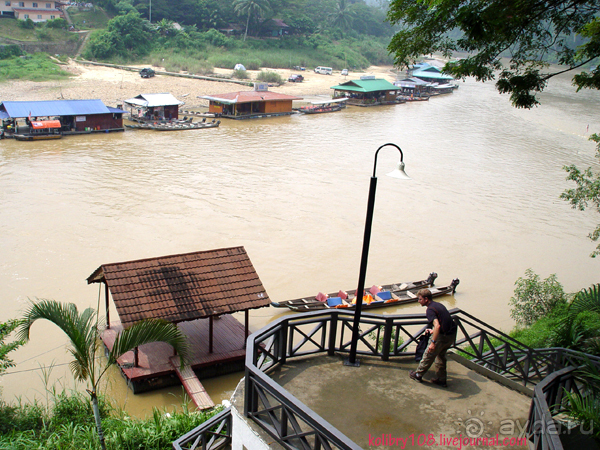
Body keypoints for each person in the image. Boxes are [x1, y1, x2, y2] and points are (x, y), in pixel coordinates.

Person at [409, 288, 457, 387]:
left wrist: (433, 342)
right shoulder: (438, 305)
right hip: (451, 335)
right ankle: (441, 379)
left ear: (426, 299)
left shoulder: (430, 309)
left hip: (442, 337)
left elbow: (437, 325)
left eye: (420, 299)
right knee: (440, 356)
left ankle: (418, 375)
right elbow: (444, 321)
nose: (418, 301)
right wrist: (433, 331)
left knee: (428, 354)